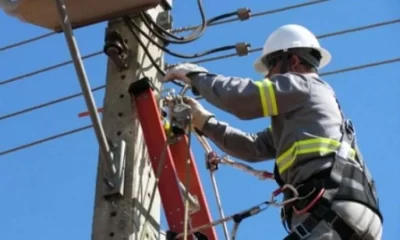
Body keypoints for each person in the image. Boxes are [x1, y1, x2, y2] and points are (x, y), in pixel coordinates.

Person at [162, 24, 383, 239]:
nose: (268, 78)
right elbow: (252, 147)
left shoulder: (303, 85)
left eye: (271, 68)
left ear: (294, 61)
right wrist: (206, 122)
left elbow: (242, 98)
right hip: (351, 213)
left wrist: (197, 77)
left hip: (329, 209)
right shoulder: (304, 120)